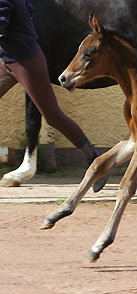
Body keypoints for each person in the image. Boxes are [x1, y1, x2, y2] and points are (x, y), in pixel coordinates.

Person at [0, 0, 106, 192]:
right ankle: (3, 154)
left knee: (53, 117)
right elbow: (29, 10)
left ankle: (96, 161)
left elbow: (1, 22)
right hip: (6, 60)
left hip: (27, 62)